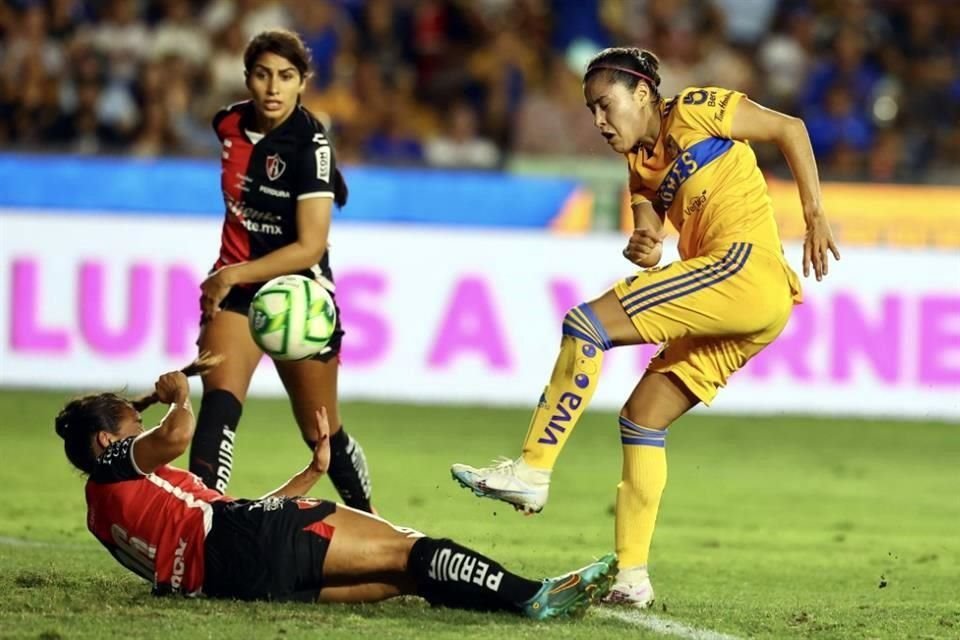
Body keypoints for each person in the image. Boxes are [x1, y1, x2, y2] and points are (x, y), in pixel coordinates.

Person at [451, 47, 841, 607]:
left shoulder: (700, 109)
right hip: (750, 301)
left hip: (745, 268)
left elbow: (789, 128)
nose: (599, 122)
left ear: (641, 95)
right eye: (590, 111)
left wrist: (814, 212)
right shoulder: (638, 168)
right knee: (641, 418)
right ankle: (632, 578)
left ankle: (533, 469)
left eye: (605, 106)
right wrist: (644, 243)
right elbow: (650, 245)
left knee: (586, 323)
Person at [54, 365, 617, 617]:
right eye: (131, 427)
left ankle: (518, 607)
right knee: (409, 547)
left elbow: (217, 516)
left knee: (403, 580)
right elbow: (178, 436)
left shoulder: (99, 514)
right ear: (107, 440)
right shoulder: (115, 464)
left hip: (236, 578)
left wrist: (309, 472)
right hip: (238, 540)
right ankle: (532, 595)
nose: (140, 434)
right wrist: (178, 395)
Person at [191, 28, 372, 512]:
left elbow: (310, 247)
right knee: (219, 406)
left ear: (303, 83)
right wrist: (232, 275)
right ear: (247, 79)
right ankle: (200, 524)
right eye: (263, 74)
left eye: (286, 77)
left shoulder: (311, 146)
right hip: (237, 289)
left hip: (298, 294)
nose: (273, 87)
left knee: (321, 430)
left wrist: (229, 273)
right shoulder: (227, 123)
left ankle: (376, 523)